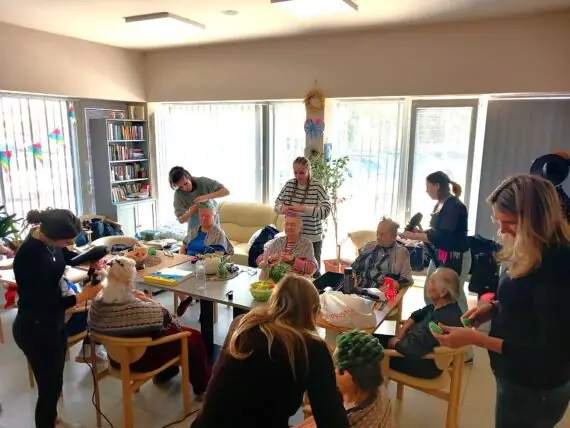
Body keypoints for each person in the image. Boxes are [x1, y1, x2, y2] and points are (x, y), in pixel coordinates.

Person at [433, 174, 570, 428]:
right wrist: (493, 308)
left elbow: (551, 355)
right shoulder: (531, 249)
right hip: (514, 377)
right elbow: (526, 301)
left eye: (509, 222)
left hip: (534, 389)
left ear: (536, 220)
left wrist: (476, 339)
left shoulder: (558, 270)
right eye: (499, 221)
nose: (502, 230)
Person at [191, 275, 350, 428]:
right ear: (314, 310)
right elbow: (331, 418)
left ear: (274, 300)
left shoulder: (242, 324)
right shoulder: (311, 348)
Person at [12, 209, 103, 428]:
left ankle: (52, 420)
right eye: (66, 240)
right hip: (35, 329)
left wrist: (91, 261)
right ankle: (46, 422)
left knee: (54, 381)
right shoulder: (30, 257)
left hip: (52, 324)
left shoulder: (48, 241)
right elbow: (44, 303)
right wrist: (82, 297)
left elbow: (67, 257)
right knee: (48, 388)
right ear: (53, 235)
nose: (69, 244)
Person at [88, 256, 211, 398]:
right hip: (141, 361)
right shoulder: (139, 309)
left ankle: (166, 374)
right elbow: (168, 319)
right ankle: (202, 387)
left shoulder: (96, 305)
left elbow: (93, 331)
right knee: (192, 336)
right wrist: (146, 299)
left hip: (116, 360)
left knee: (158, 333)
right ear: (129, 283)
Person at [399, 171, 471, 315]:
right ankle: (438, 320)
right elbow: (435, 231)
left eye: (428, 186)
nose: (426, 190)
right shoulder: (440, 205)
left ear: (437, 186)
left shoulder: (454, 205)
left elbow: (443, 236)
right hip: (439, 255)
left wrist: (413, 235)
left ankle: (464, 325)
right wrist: (420, 232)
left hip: (456, 256)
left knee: (454, 295)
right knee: (430, 291)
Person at [374, 268, 463, 379]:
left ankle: (367, 386)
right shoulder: (447, 307)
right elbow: (419, 313)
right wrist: (406, 326)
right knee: (373, 337)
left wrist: (395, 343)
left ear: (443, 292)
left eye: (432, 282)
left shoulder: (439, 322)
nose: (428, 283)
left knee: (366, 349)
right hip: (419, 351)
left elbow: (411, 348)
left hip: (423, 364)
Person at [298, 330, 395, 428]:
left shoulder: (351, 420)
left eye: (336, 367)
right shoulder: (379, 389)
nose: (333, 372)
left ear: (348, 375)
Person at [274, 156, 330, 277]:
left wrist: (305, 209)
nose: (298, 176)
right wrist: (282, 209)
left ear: (309, 170)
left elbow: (326, 211)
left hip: (312, 238)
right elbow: (276, 204)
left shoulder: (317, 187)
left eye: (301, 173)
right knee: (292, 270)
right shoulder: (289, 185)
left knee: (313, 272)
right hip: (292, 237)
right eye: (295, 172)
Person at [177, 203, 234, 316]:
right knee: (175, 277)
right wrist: (181, 259)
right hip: (187, 263)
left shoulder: (218, 233)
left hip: (205, 267)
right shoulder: (195, 230)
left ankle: (205, 310)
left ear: (214, 216)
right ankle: (185, 300)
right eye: (201, 216)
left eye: (207, 216)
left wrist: (202, 260)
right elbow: (184, 245)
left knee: (202, 280)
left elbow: (218, 256)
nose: (203, 218)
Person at [352, 217, 414, 290]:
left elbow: (407, 279)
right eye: (377, 233)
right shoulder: (370, 246)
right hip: (357, 288)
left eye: (382, 234)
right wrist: (353, 279)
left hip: (380, 293)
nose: (378, 237)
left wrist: (391, 286)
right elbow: (354, 267)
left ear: (393, 237)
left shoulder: (401, 252)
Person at [169, 166, 230, 234]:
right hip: (194, 220)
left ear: (189, 177)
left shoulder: (203, 182)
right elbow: (181, 220)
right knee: (193, 240)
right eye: (181, 187)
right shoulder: (178, 194)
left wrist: (205, 197)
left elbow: (226, 191)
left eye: (186, 183)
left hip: (212, 217)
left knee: (214, 239)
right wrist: (191, 211)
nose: (185, 188)